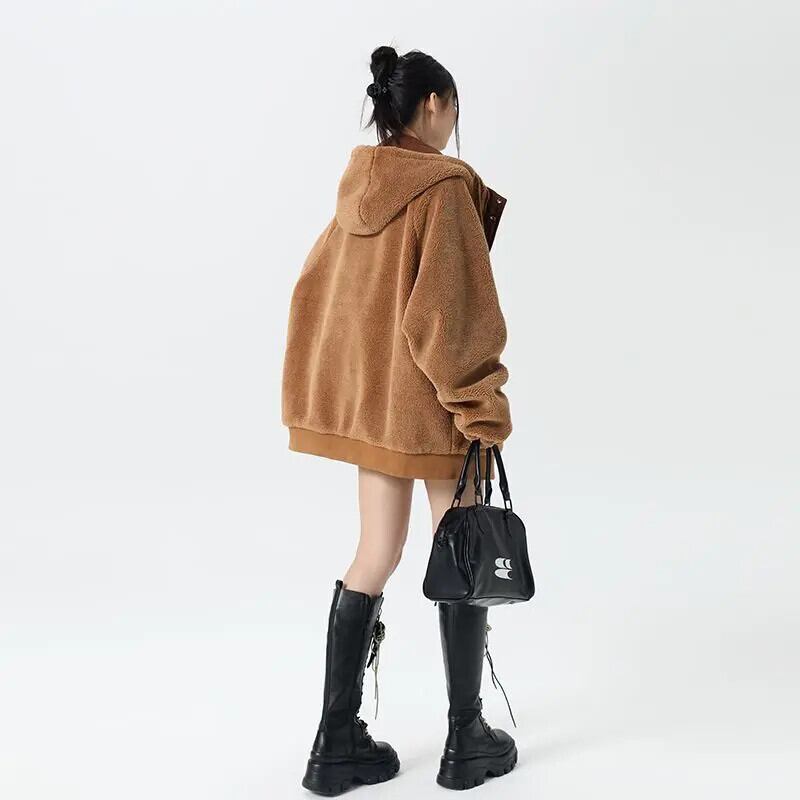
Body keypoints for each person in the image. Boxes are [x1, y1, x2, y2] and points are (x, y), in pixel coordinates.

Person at [281, 45, 516, 794]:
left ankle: (335, 743)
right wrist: (481, 410)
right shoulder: (441, 189)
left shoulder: (358, 188)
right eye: (454, 111)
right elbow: (450, 317)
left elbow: (325, 298)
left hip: (377, 411)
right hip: (436, 409)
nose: (454, 126)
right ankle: (465, 738)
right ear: (434, 104)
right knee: (464, 554)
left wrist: (344, 395)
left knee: (374, 553)